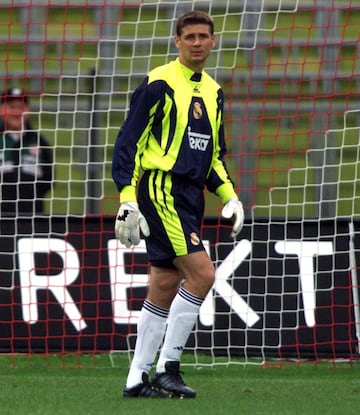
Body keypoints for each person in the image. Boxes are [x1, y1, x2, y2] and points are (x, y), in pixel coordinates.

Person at [112, 10, 244, 398]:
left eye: (204, 36)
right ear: (177, 41)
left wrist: (229, 195)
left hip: (190, 196)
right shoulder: (159, 83)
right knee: (203, 275)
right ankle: (169, 366)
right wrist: (126, 198)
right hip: (161, 189)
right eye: (190, 37)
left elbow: (214, 157)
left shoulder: (215, 93)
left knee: (166, 282)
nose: (198, 42)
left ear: (213, 41)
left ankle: (136, 379)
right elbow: (128, 143)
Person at [0, 87, 53, 216]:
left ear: (28, 111)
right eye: (12, 107)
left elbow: (48, 180)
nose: (17, 112)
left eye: (21, 108)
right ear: (2, 110)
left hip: (33, 216)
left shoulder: (40, 141)